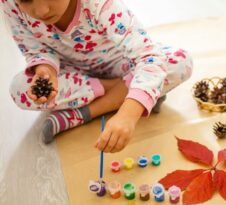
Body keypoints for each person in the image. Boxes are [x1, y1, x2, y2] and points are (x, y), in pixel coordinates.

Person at [2, 0, 193, 153]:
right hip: (73, 73)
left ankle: (81, 114)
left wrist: (128, 115)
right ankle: (133, 92)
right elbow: (35, 49)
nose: (42, 11)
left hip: (121, 63)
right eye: (26, 0)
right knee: (20, 90)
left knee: (180, 61)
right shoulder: (9, 3)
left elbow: (148, 56)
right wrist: (46, 70)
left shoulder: (100, 4)